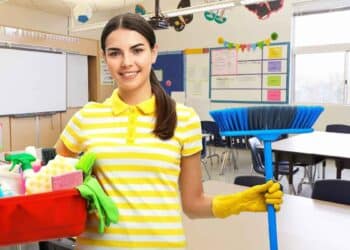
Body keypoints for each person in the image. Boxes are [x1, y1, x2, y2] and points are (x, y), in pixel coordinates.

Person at [55, 12, 283, 250]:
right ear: (104, 57)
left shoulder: (183, 118)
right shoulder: (86, 118)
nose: (126, 62)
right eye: (115, 53)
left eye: (137, 50)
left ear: (153, 52)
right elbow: (48, 182)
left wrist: (239, 202)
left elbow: (193, 205)